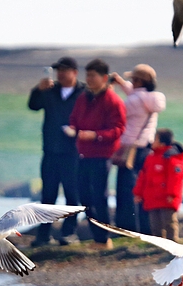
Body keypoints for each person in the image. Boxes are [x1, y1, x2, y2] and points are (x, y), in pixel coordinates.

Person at [68, 58, 126, 248]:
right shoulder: (83, 98)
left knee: (99, 197)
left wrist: (95, 136)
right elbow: (74, 118)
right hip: (83, 154)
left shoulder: (113, 101)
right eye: (88, 75)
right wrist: (72, 128)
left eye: (93, 75)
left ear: (104, 78)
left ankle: (104, 239)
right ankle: (97, 237)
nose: (89, 79)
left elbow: (118, 129)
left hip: (102, 155)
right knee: (84, 196)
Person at [27, 56, 84, 246]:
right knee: (48, 195)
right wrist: (38, 90)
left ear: (74, 72)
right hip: (51, 150)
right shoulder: (50, 90)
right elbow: (33, 106)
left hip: (73, 151)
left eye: (64, 70)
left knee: (72, 194)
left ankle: (69, 233)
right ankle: (43, 235)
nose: (60, 74)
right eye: (58, 70)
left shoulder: (83, 92)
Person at [109, 64, 165, 233]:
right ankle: (145, 227)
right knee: (143, 189)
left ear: (138, 81)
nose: (130, 82)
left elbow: (118, 113)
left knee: (126, 191)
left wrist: (110, 89)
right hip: (146, 148)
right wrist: (122, 83)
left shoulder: (132, 101)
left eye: (133, 79)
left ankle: (126, 227)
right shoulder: (154, 99)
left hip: (129, 150)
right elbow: (138, 95)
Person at [133, 128, 183, 241]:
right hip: (152, 198)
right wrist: (138, 193)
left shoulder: (172, 158)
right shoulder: (150, 158)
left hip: (167, 199)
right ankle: (159, 243)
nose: (152, 142)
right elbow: (143, 177)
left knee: (169, 222)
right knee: (155, 224)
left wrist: (171, 194)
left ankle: (173, 243)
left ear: (162, 143)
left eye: (155, 139)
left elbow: (175, 178)